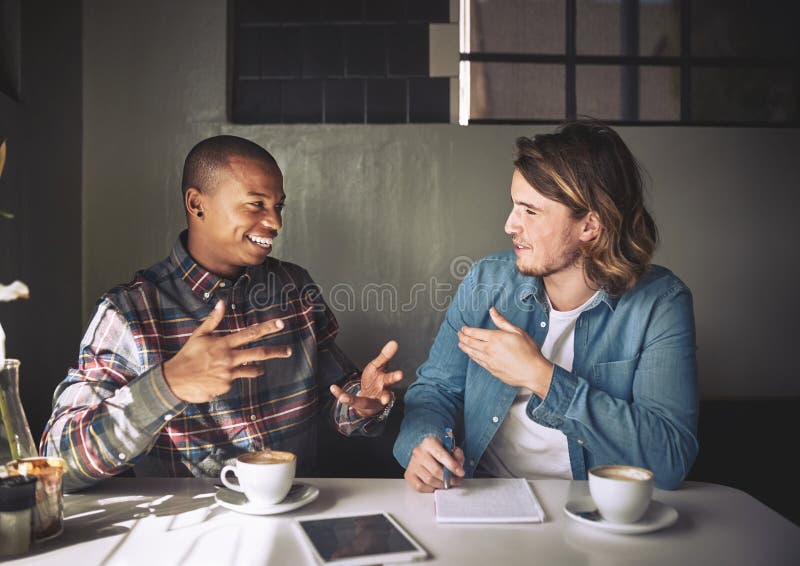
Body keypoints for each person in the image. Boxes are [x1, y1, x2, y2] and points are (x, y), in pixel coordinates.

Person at [42, 135, 401, 491]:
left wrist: (363, 405)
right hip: (188, 531)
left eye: (278, 206)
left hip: (298, 513)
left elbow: (336, 398)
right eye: (256, 204)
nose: (275, 223)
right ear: (197, 204)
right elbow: (59, 464)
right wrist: (168, 385)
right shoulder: (128, 312)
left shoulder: (295, 286)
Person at [394, 120, 698, 492]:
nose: (509, 225)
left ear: (590, 225)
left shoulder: (660, 304)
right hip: (484, 497)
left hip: (598, 509)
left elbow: (669, 460)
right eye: (513, 206)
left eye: (530, 211)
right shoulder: (486, 283)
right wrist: (424, 446)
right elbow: (435, 391)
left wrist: (542, 377)